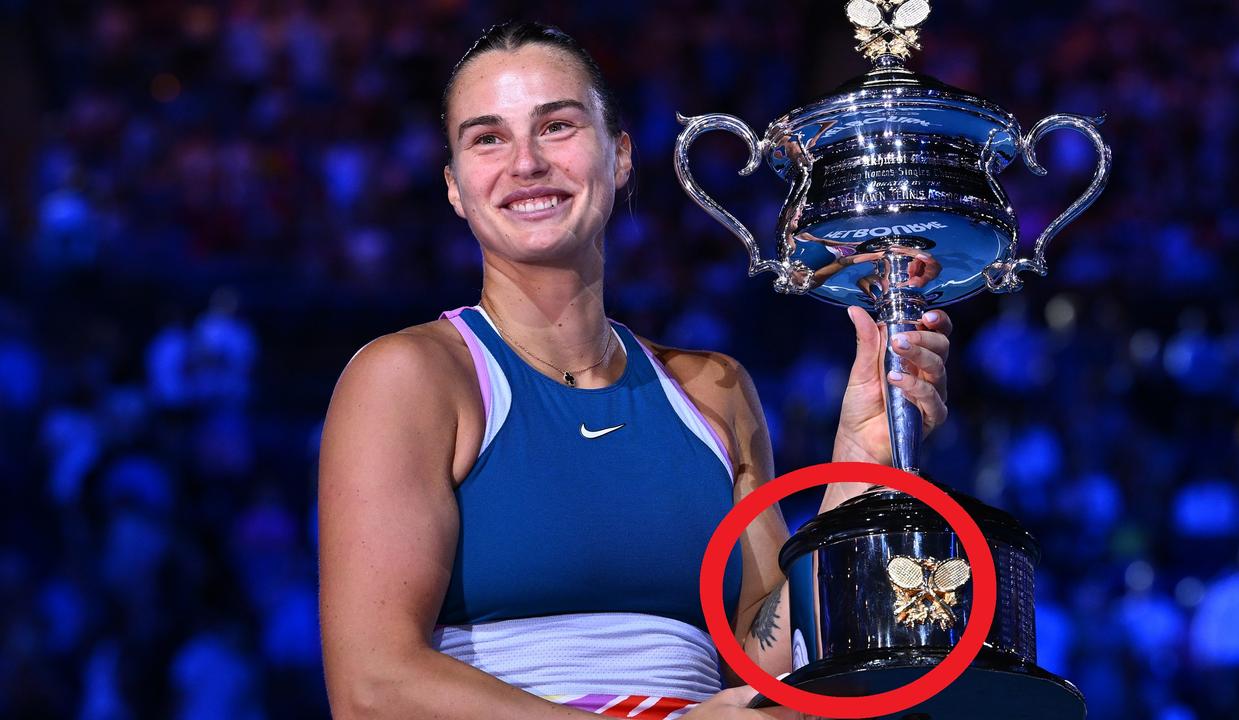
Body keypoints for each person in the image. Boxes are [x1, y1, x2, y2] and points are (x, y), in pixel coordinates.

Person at [317, 21, 951, 720]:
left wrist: (860, 458)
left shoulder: (714, 391)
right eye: (487, 137)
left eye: (557, 126)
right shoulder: (411, 379)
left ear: (619, 156)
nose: (525, 163)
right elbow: (372, 689)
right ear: (455, 188)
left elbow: (765, 659)